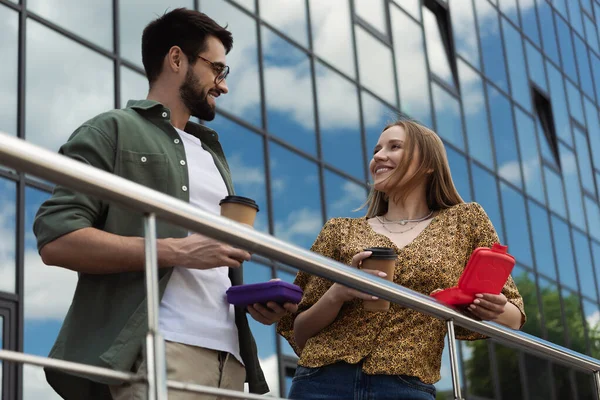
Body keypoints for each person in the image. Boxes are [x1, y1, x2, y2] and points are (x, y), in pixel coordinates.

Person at [33, 8, 297, 400]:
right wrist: (176, 250)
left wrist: (256, 302)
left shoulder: (212, 155)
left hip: (231, 361)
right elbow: (57, 238)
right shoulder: (111, 130)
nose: (222, 86)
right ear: (177, 59)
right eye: (217, 70)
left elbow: (210, 266)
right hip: (162, 351)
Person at [276, 119, 526, 400]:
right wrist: (338, 293)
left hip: (406, 387)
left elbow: (514, 316)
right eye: (376, 150)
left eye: (394, 147)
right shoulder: (339, 230)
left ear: (429, 163)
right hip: (320, 382)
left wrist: (492, 308)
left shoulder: (465, 221)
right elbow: (300, 332)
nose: (378, 157)